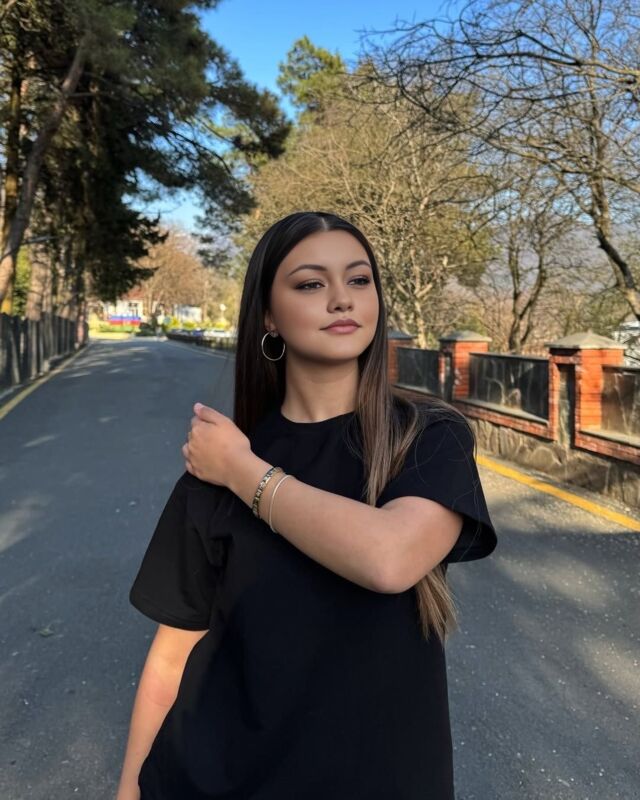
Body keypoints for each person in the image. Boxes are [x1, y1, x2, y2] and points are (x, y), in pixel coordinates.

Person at [116, 211, 498, 799]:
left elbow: (389, 559)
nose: (342, 298)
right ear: (269, 315)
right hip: (214, 780)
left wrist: (244, 473)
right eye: (311, 283)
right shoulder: (218, 466)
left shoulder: (426, 438)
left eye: (359, 279)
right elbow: (173, 654)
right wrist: (128, 789)